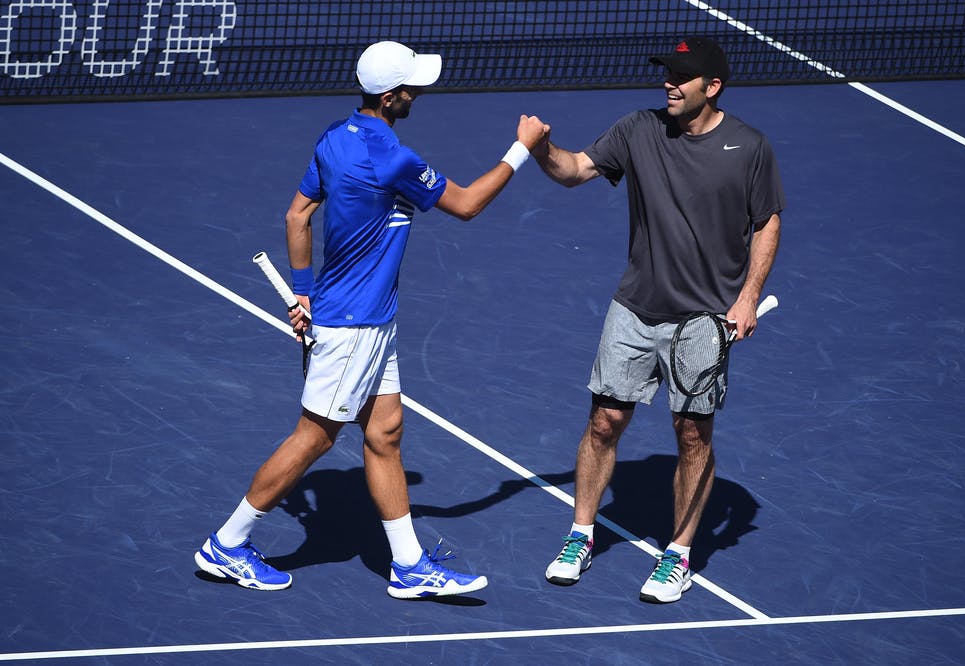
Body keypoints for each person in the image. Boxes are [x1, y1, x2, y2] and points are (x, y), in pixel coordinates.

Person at [195, 40, 549, 598]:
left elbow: (296, 216)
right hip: (354, 323)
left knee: (384, 432)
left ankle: (409, 565)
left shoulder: (334, 138)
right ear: (391, 97)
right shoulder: (393, 158)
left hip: (364, 318)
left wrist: (306, 292)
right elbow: (467, 204)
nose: (419, 93)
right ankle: (228, 544)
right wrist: (521, 148)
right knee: (313, 438)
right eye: (412, 87)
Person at [532, 37, 784, 603]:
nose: (669, 83)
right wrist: (543, 149)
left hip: (704, 319)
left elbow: (767, 220)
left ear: (711, 87)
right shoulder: (637, 130)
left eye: (682, 76)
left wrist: (748, 298)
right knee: (603, 423)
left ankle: (679, 553)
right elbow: (574, 170)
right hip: (636, 307)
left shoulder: (749, 148)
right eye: (667, 73)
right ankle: (580, 534)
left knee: (692, 434)